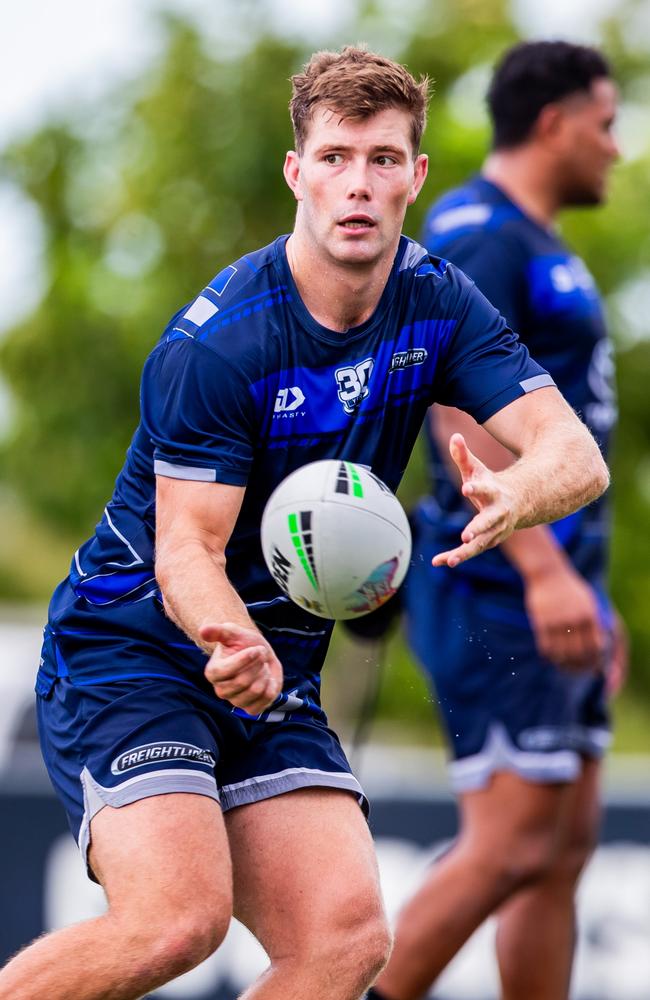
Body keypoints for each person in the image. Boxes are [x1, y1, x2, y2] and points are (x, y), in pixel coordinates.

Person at [0, 45, 609, 1000]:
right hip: (138, 648)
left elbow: (575, 454)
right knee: (176, 922)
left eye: (380, 159)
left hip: (275, 668)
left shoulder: (437, 300)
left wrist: (516, 494)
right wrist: (228, 636)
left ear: (415, 175)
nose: (356, 184)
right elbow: (186, 548)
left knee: (345, 940)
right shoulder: (219, 343)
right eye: (334, 158)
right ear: (298, 173)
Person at [371, 40, 624, 1000]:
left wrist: (592, 590)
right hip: (498, 577)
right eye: (605, 124)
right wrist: (544, 569)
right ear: (553, 123)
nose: (615, 146)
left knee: (561, 849)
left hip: (564, 578)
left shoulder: (537, 237)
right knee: (511, 843)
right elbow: (456, 405)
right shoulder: (477, 229)